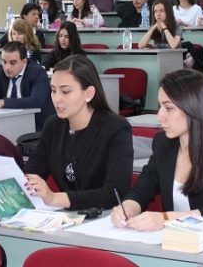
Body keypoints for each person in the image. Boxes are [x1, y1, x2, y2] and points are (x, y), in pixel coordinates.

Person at [111, 70, 203, 230]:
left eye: (168, 108)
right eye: (160, 106)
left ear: (194, 108)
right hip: (172, 238)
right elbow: (142, 189)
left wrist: (166, 219)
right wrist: (128, 207)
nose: (159, 116)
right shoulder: (163, 143)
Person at [23, 55, 133, 210]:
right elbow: (32, 173)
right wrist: (3, 184)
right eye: (53, 90)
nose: (57, 99)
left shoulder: (116, 128)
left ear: (89, 93)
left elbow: (114, 194)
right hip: (68, 216)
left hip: (105, 217)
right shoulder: (53, 125)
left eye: (65, 91)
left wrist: (55, 198)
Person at [0, 41, 55, 131]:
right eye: (4, 62)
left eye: (12, 63)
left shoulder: (37, 72)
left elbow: (36, 101)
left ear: (24, 61)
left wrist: (4, 102)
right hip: (7, 124)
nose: (7, 67)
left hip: (37, 126)